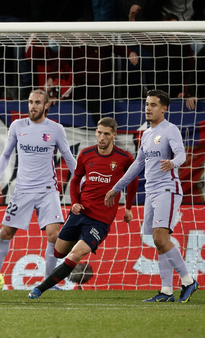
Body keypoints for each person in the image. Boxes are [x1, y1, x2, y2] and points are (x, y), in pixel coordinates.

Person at [0, 89, 76, 290]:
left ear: (46, 105)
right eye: (30, 102)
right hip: (23, 190)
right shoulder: (18, 126)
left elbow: (69, 157)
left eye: (37, 102)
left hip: (48, 190)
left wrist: (82, 182)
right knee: (5, 233)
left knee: (54, 235)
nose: (32, 106)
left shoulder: (56, 129)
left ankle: (48, 282)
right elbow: (5, 154)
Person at [105, 90, 199, 303]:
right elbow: (138, 164)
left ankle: (188, 280)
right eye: (147, 104)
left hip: (168, 188)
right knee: (159, 241)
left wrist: (172, 163)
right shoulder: (146, 134)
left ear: (164, 108)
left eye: (153, 105)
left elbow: (182, 154)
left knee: (159, 237)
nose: (148, 108)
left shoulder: (170, 129)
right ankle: (166, 291)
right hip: (151, 192)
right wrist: (117, 187)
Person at [28, 117, 139, 299]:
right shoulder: (86, 154)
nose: (101, 137)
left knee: (75, 254)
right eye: (99, 132)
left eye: (106, 134)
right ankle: (71, 257)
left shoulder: (125, 158)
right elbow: (75, 181)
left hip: (101, 220)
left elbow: (133, 180)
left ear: (114, 135)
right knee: (59, 251)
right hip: (80, 213)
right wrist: (74, 203)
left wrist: (128, 208)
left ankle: (39, 289)